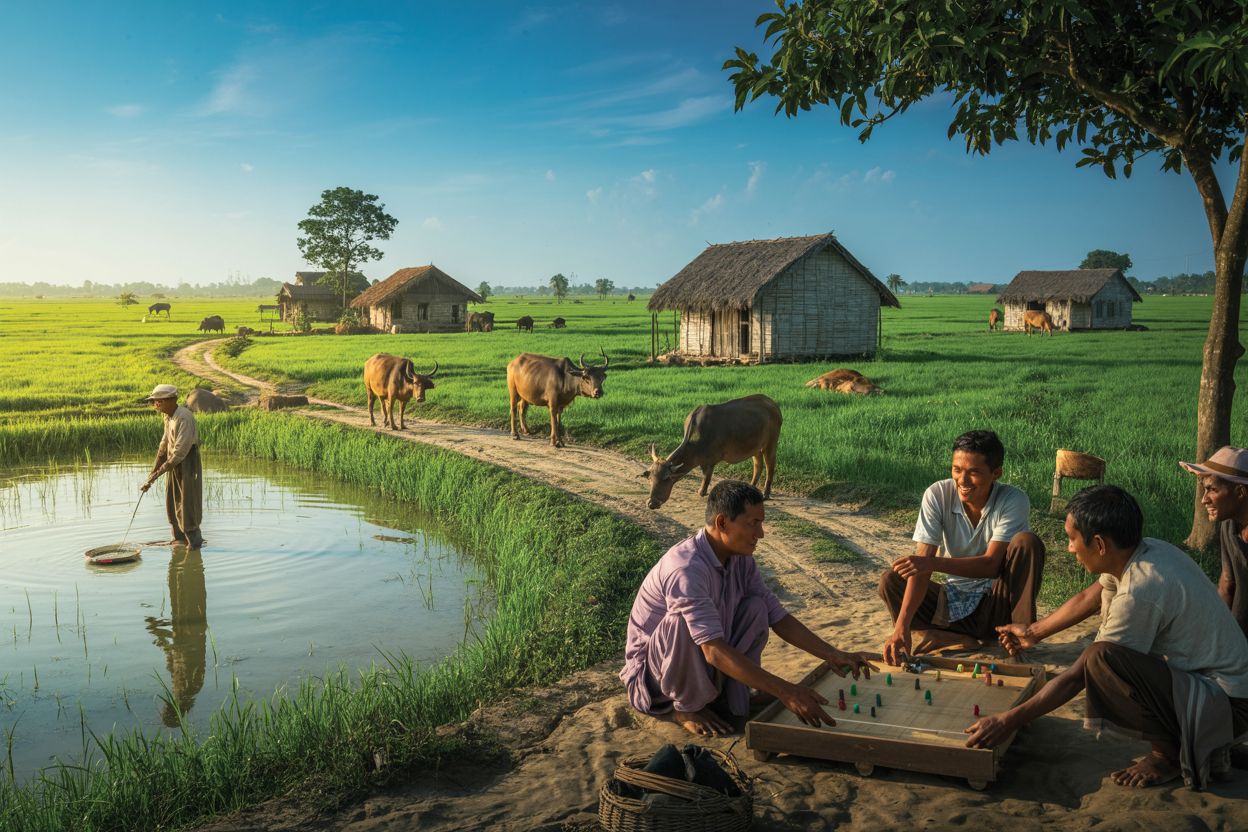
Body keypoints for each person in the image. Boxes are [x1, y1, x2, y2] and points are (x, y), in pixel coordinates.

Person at [966, 485, 1248, 790]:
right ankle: (1202, 741)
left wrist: (1007, 721)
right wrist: (1033, 632)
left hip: (1228, 706)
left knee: (1102, 659)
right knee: (1105, 655)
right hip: (1221, 690)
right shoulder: (1147, 551)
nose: (1070, 548)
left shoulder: (1140, 592)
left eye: (1072, 539)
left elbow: (1080, 675)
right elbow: (1092, 596)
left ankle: (1168, 756)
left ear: (1099, 544)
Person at [620, 480, 877, 737]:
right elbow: (713, 651)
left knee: (756, 607)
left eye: (761, 523)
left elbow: (778, 616)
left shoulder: (741, 560)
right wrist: (786, 691)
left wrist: (833, 655)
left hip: (700, 662)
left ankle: (727, 695)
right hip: (653, 678)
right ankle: (685, 707)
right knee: (682, 622)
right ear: (722, 523)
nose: (761, 533)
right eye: (753, 523)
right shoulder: (687, 569)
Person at [879, 430, 1045, 663]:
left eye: (974, 472)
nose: (962, 481)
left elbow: (990, 565)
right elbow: (922, 566)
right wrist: (901, 627)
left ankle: (1019, 635)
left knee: (1027, 543)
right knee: (891, 580)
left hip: (996, 605)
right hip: (954, 602)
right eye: (957, 470)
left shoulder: (1013, 500)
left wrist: (932, 562)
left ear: (996, 473)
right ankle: (944, 635)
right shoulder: (937, 494)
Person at [1180, 446, 1248, 637]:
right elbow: (1227, 584)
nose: (1204, 500)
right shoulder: (1229, 527)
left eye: (1212, 489)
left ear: (1240, 492)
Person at [141, 384, 204, 548]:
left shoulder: (184, 417)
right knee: (172, 502)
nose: (156, 404)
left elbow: (180, 452)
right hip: (173, 464)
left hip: (187, 463)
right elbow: (164, 445)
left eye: (158, 401)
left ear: (172, 400)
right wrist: (153, 472)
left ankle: (194, 544)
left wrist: (158, 473)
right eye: (154, 401)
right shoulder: (168, 417)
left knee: (187, 503)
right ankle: (179, 540)